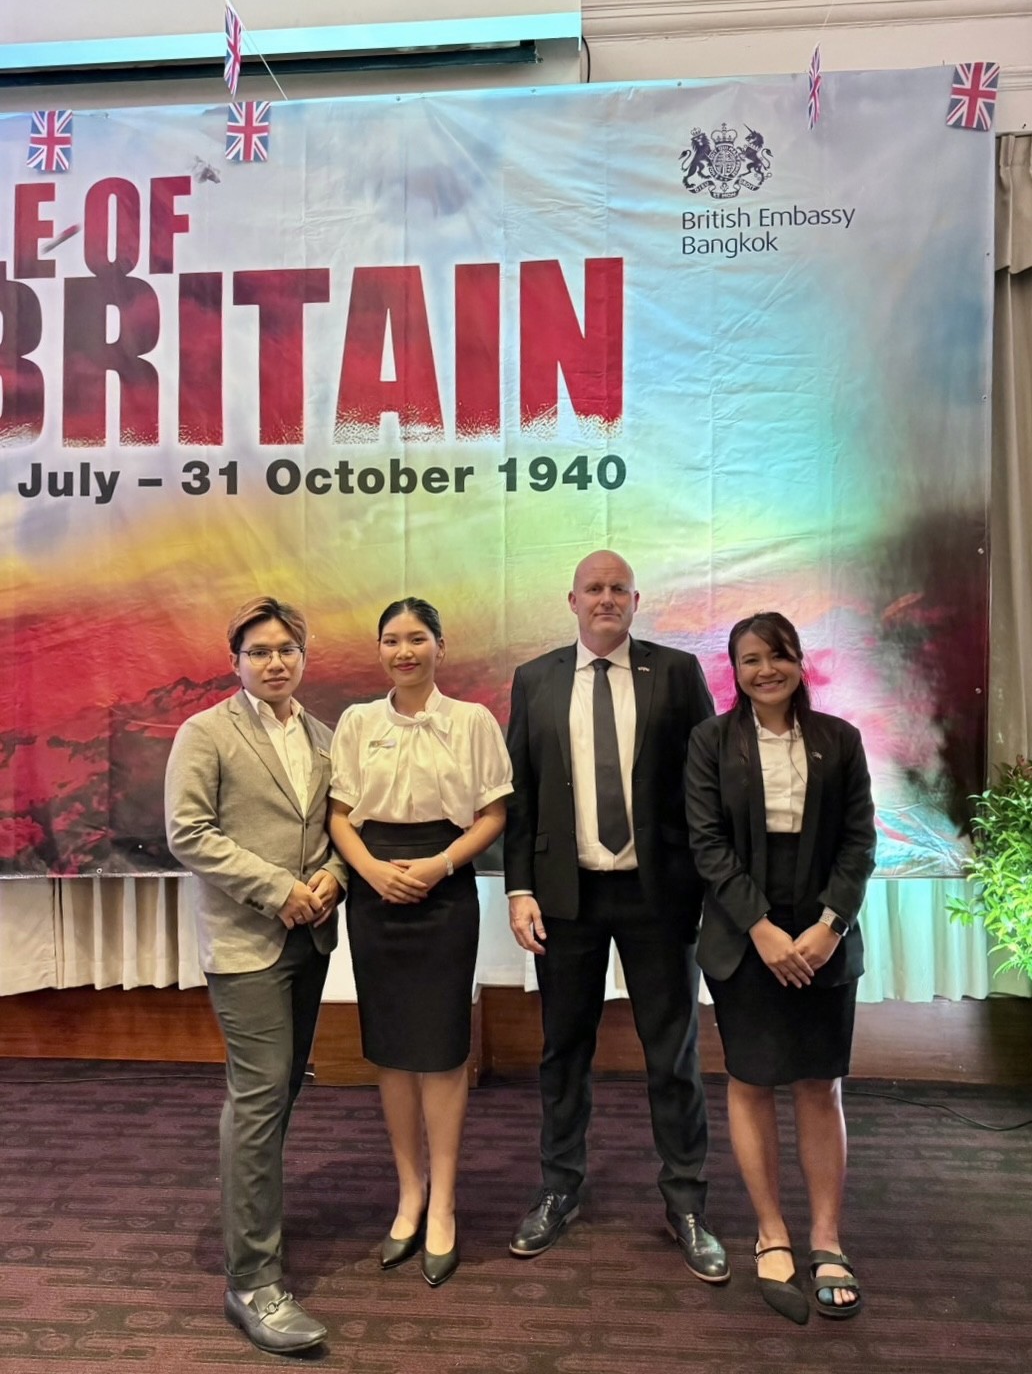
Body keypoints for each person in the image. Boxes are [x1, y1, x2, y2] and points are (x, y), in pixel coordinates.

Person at [504, 549, 728, 1282]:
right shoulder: (535, 679)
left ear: (637, 600)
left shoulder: (677, 673)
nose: (606, 599)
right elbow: (520, 793)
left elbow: (706, 782)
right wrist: (518, 888)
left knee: (673, 1052)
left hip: (658, 894)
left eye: (618, 589)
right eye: (593, 589)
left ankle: (686, 1202)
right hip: (564, 897)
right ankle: (558, 1186)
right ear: (572, 600)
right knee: (563, 1049)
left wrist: (709, 881)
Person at [164, 596, 345, 1355]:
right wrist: (278, 889)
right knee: (260, 1097)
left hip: (310, 940)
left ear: (303, 656)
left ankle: (257, 1228)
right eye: (260, 651)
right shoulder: (205, 732)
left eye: (286, 650)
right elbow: (188, 831)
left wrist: (333, 877)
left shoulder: (324, 736)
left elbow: (340, 827)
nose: (275, 662)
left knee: (281, 1091)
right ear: (235, 661)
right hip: (247, 944)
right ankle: (252, 1283)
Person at [685, 611, 876, 1324]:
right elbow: (707, 845)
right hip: (745, 934)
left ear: (800, 661)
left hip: (824, 932)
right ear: (734, 671)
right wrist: (761, 928)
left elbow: (859, 842)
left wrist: (830, 926)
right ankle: (771, 1232)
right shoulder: (711, 742)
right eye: (751, 659)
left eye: (779, 655)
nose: (766, 670)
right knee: (751, 1081)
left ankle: (827, 1238)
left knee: (819, 1084)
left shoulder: (839, 739)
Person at [328, 598, 512, 1287]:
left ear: (440, 645)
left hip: (445, 887)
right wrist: (370, 872)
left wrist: (439, 866)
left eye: (416, 639)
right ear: (379, 650)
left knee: (440, 1049)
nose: (403, 651)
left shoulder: (472, 720)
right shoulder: (357, 722)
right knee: (392, 1050)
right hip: (373, 893)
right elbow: (338, 815)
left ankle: (445, 1203)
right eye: (391, 640)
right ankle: (409, 1194)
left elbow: (493, 812)